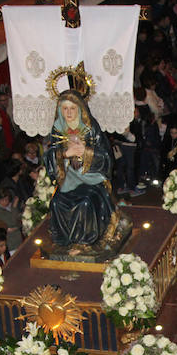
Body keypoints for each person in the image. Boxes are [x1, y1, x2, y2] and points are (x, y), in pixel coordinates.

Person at [43, 90, 118, 248]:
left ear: (79, 109)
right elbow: (49, 155)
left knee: (84, 203)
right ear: (59, 110)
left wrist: (86, 152)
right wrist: (65, 154)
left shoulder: (90, 127)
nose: (68, 113)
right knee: (56, 203)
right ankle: (64, 241)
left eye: (72, 108)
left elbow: (106, 156)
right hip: (69, 178)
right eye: (65, 109)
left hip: (92, 178)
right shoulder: (58, 129)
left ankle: (84, 241)